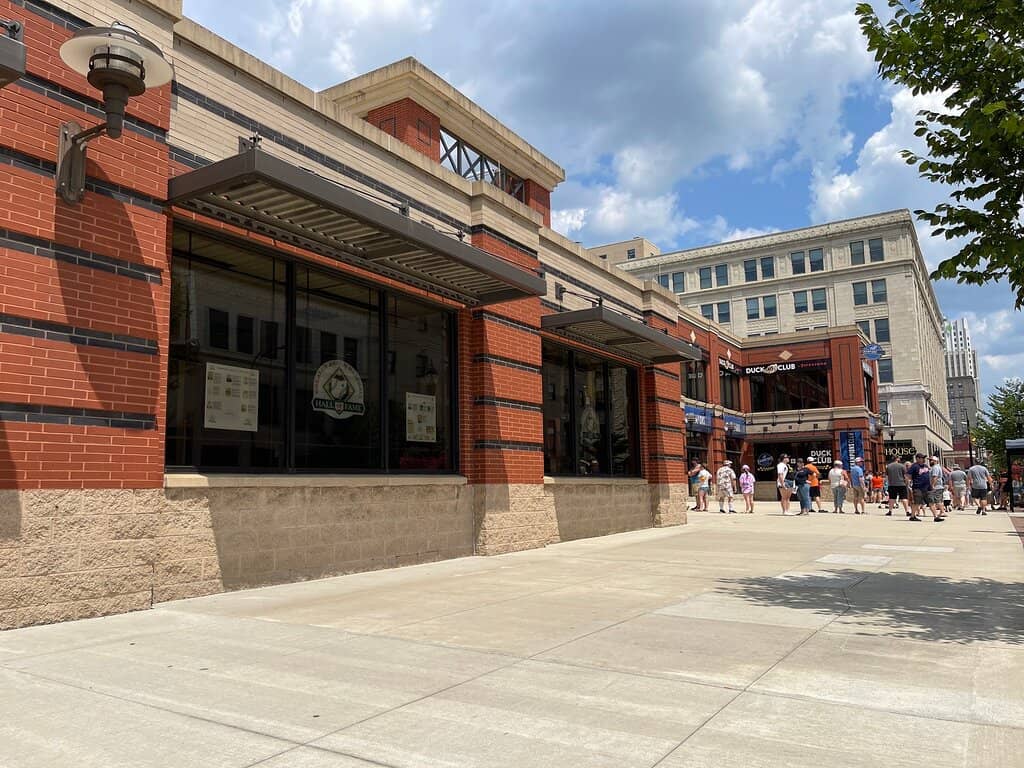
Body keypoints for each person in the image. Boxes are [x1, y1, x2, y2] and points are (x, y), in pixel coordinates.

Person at [906, 453, 930, 522]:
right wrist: (910, 482)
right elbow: (908, 475)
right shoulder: (914, 466)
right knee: (917, 502)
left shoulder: (925, 466)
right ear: (917, 458)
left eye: (924, 458)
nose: (923, 459)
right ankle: (912, 516)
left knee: (931, 502)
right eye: (922, 458)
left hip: (926, 487)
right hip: (917, 486)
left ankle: (936, 516)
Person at [928, 455, 947, 521]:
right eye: (929, 460)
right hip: (938, 486)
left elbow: (935, 477)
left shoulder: (935, 468)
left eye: (931, 460)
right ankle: (942, 512)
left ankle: (941, 512)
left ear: (935, 461)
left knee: (935, 501)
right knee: (939, 500)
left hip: (936, 487)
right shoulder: (937, 467)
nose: (930, 461)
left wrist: (932, 485)